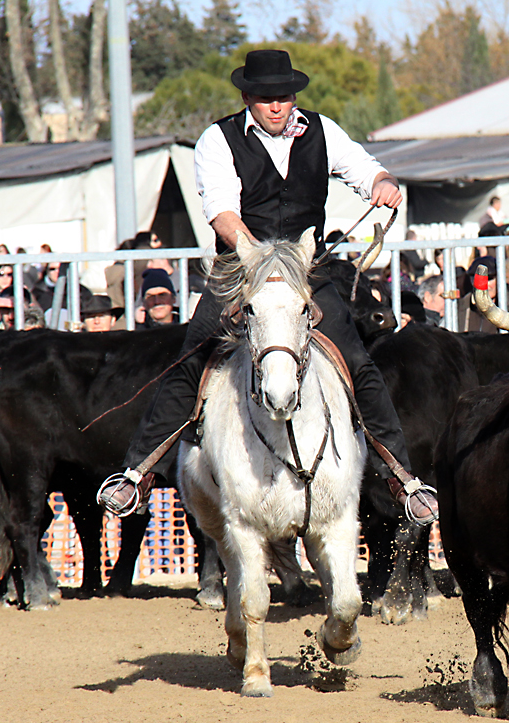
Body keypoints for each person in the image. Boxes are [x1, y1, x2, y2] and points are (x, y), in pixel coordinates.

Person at [98, 48, 437, 524]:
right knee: (192, 360)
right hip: (240, 271)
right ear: (247, 97)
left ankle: (404, 480)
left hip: (307, 275)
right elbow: (222, 213)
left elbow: (366, 169)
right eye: (265, 97)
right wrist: (257, 256)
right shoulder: (217, 139)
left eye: (283, 96)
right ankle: (136, 473)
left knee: (358, 363)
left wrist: (382, 181)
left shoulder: (322, 130)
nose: (276, 106)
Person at [457, 256, 509, 330]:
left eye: (489, 279)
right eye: (477, 279)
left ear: (499, 279)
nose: (484, 284)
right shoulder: (458, 311)